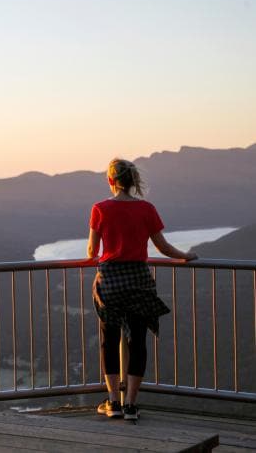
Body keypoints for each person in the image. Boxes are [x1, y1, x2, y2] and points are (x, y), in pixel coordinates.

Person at [87, 159, 196, 420]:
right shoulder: (147, 209)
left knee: (109, 340)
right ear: (133, 181)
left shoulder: (99, 209)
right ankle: (131, 406)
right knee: (138, 341)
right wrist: (186, 256)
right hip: (138, 281)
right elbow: (163, 247)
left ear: (111, 181)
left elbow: (92, 251)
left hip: (110, 282)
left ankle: (113, 401)